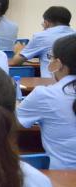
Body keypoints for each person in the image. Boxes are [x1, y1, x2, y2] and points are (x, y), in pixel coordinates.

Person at [17, 35, 76, 170]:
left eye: (51, 57)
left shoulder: (45, 95)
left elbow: (12, 122)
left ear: (58, 64)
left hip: (61, 177)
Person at [10, 6, 75, 78]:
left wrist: (19, 50)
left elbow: (15, 62)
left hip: (49, 82)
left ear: (46, 23)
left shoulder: (41, 36)